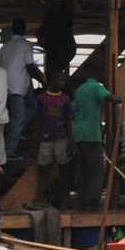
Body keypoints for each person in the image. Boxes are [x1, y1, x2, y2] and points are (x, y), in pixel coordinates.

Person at [72, 72, 115, 210]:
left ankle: (81, 201)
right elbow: (110, 97)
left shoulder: (80, 90)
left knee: (83, 170)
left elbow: (74, 110)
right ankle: (92, 203)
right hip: (91, 134)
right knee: (96, 171)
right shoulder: (96, 86)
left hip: (79, 134)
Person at [0, 19, 41, 158]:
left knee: (31, 108)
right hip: (18, 88)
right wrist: (44, 81)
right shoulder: (25, 45)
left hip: (6, 86)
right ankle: (9, 151)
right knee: (20, 117)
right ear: (24, 30)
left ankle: (17, 129)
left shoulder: (4, 47)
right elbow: (30, 66)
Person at [34, 70, 74, 206]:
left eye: (63, 80)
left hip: (61, 138)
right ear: (52, 81)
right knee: (43, 169)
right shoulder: (41, 98)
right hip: (45, 138)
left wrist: (70, 139)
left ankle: (63, 199)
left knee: (63, 169)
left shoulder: (66, 99)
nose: (62, 83)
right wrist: (36, 140)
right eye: (59, 80)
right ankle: (40, 198)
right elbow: (38, 120)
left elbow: (69, 120)